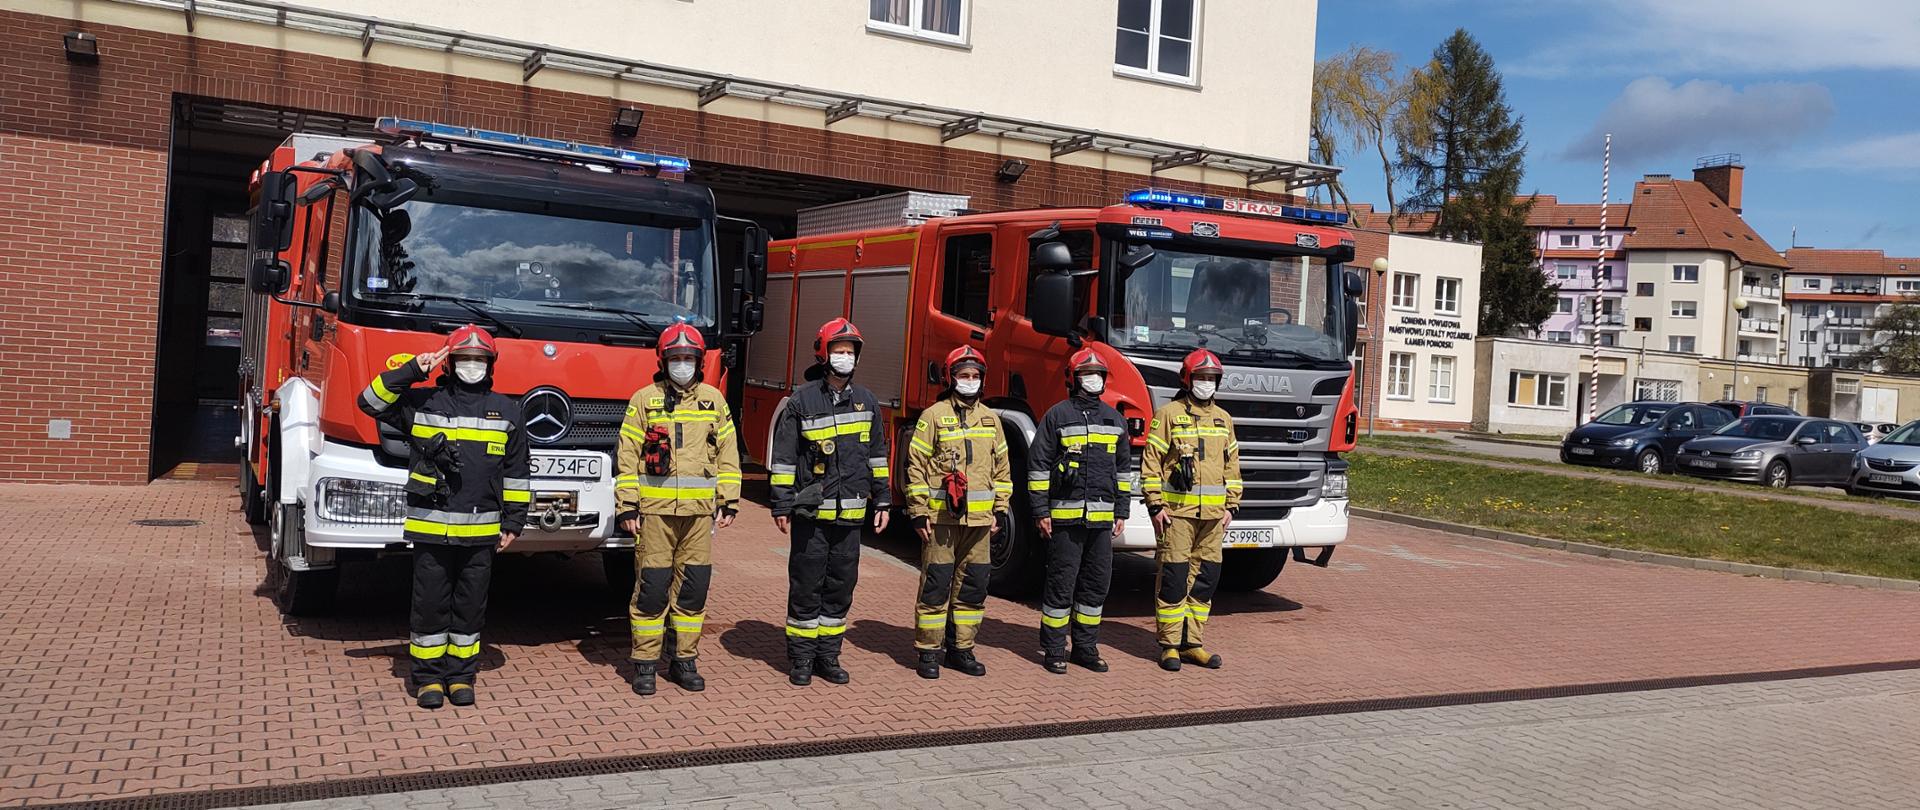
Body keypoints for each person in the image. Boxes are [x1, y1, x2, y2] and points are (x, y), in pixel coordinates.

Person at [358, 324, 529, 709]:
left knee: (470, 608)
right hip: (431, 531)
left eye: (480, 359)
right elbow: (369, 401)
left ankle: (461, 677)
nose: (473, 365)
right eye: (465, 359)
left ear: (490, 364)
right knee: (431, 605)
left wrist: (514, 521)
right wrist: (413, 370)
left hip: (482, 532)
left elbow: (518, 471)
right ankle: (428, 680)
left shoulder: (507, 410)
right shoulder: (423, 403)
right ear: (450, 363)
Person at [615, 322, 741, 695]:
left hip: (699, 516)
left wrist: (729, 500)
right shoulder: (644, 400)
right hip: (654, 514)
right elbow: (626, 458)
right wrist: (627, 507)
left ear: (700, 362)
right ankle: (645, 665)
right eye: (676, 358)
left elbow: (728, 454)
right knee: (652, 589)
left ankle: (684, 661)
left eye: (689, 358)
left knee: (692, 590)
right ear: (663, 360)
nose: (682, 364)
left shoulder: (714, 401)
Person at [769, 318, 891, 687]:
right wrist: (781, 505)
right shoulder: (801, 401)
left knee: (840, 585)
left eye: (850, 352)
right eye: (839, 351)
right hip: (811, 514)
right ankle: (802, 659)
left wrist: (883, 500)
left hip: (850, 517)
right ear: (824, 354)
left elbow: (877, 456)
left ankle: (828, 656)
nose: (845, 358)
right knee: (807, 585)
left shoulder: (867, 401)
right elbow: (785, 458)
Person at [904, 346, 1012, 679]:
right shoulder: (933, 416)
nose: (969, 381)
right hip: (941, 521)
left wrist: (1001, 509)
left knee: (972, 587)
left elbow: (1002, 470)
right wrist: (919, 511)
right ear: (952, 379)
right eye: (963, 375)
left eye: (975, 376)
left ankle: (961, 650)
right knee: (936, 585)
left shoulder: (992, 419)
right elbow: (915, 466)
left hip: (980, 524)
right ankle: (928, 652)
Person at [1027, 348, 1131, 674]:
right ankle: (1055, 649)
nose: (1093, 379)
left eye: (1098, 373)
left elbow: (1124, 471)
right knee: (1061, 583)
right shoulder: (1056, 416)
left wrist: (1122, 511)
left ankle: (1085, 648)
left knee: (1095, 585)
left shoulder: (1115, 420)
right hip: (1065, 519)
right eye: (1087, 373)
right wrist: (1040, 511)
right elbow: (1038, 466)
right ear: (1073, 379)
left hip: (1101, 521)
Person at [1140, 347, 1241, 672]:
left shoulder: (1224, 419)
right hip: (1177, 515)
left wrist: (1231, 507)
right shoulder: (1168, 414)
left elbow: (1233, 467)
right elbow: (1151, 464)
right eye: (1200, 377)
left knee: (1205, 581)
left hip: (1213, 520)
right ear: (1187, 379)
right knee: (1174, 578)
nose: (1206, 383)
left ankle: (1192, 644)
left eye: (1211, 378)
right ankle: (1169, 645)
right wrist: (1155, 506)